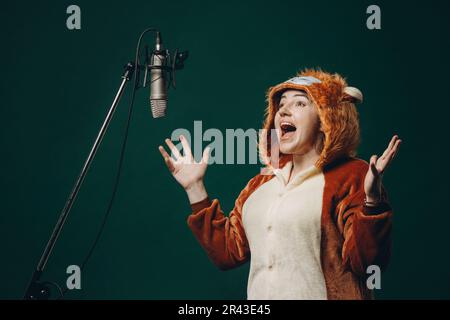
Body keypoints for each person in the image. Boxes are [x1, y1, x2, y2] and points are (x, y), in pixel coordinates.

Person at [158, 68, 401, 300]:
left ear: (327, 119)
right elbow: (227, 254)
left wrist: (372, 202)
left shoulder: (352, 175)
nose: (283, 111)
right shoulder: (260, 184)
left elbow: (367, 264)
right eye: (281, 104)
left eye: (299, 103)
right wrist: (194, 188)